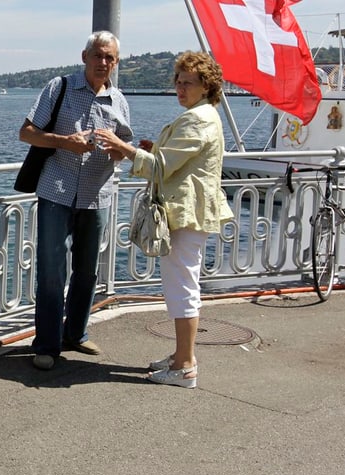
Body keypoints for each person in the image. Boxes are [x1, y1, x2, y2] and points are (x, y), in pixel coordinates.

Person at [95, 50, 233, 389]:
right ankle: (180, 356)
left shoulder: (196, 120)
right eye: (177, 81)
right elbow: (177, 161)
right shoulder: (203, 115)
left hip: (186, 213)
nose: (179, 88)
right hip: (190, 210)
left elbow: (161, 168)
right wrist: (154, 149)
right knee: (181, 283)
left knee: (182, 286)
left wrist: (124, 148)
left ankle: (185, 365)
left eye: (187, 83)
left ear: (206, 86)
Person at [19, 31, 134, 370]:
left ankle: (76, 334)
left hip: (97, 196)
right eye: (98, 56)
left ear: (115, 62)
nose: (103, 63)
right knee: (52, 272)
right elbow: (26, 133)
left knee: (86, 272)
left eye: (109, 58)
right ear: (85, 56)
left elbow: (124, 147)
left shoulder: (119, 101)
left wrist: (119, 148)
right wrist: (64, 142)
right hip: (56, 190)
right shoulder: (60, 88)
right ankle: (47, 344)